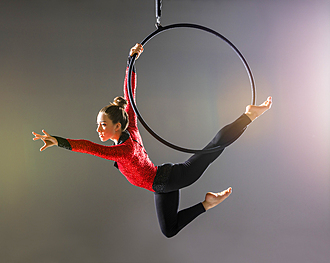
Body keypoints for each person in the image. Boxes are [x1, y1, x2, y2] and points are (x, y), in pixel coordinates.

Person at [32, 44, 272, 238]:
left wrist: (58, 141)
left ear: (117, 126)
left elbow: (90, 147)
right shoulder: (130, 130)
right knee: (169, 230)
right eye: (98, 124)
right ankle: (208, 203)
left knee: (212, 150)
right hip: (159, 184)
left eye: (102, 125)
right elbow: (129, 94)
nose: (98, 129)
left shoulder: (124, 149)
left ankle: (248, 115)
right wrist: (131, 62)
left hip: (168, 180)